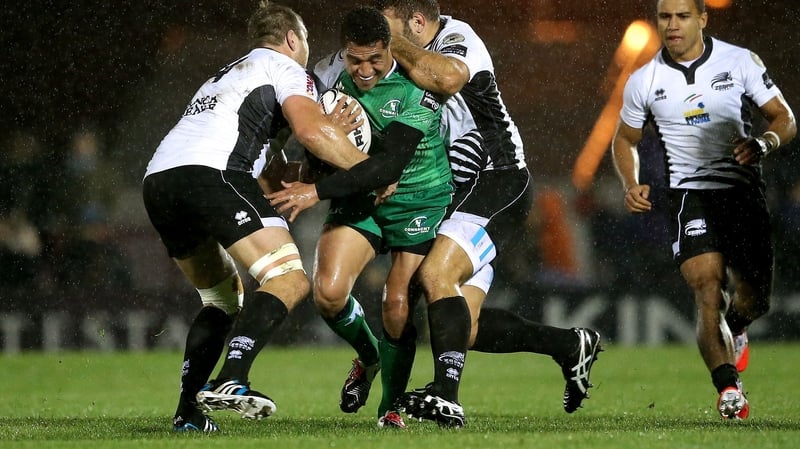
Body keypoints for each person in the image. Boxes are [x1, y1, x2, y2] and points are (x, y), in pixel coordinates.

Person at [141, 1, 372, 432]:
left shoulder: (227, 75)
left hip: (160, 182)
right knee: (289, 279)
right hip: (212, 173)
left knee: (222, 299)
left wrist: (321, 163)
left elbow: (274, 179)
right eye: (304, 40)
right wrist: (363, 166)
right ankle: (233, 378)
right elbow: (309, 131)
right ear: (291, 38)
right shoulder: (286, 69)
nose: (306, 48)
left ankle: (188, 414)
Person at [371, 0, 602, 427]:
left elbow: (449, 76)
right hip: (455, 195)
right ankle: (570, 344)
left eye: (390, 31)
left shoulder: (458, 39)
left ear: (417, 22)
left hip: (498, 181)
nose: (385, 42)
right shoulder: (402, 64)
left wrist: (391, 42)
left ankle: (446, 395)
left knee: (436, 275)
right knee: (464, 327)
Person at [267, 6, 452, 429]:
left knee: (396, 304)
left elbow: (387, 168)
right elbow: (313, 151)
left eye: (374, 58)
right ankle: (369, 358)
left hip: (418, 202)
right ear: (344, 53)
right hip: (360, 199)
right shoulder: (330, 85)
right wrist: (323, 135)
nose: (365, 69)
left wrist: (315, 191)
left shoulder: (418, 90)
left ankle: (390, 408)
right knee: (328, 294)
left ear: (390, 48)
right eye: (355, 59)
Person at [611, 0, 796, 420]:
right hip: (689, 197)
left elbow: (784, 118)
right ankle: (728, 387)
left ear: (702, 19)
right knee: (706, 286)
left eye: (682, 16)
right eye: (664, 17)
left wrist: (764, 143)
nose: (672, 25)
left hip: (742, 193)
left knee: (754, 298)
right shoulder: (644, 79)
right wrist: (631, 182)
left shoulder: (740, 61)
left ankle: (740, 324)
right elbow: (624, 139)